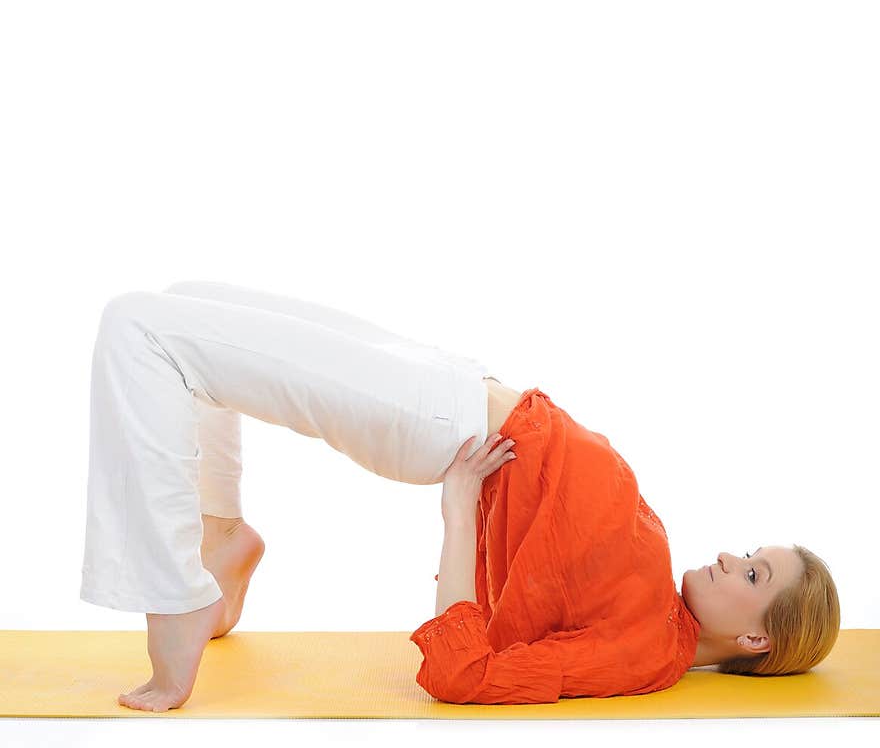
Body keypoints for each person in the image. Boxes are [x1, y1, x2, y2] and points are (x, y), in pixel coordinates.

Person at [79, 280, 840, 712]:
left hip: (435, 420)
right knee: (189, 303)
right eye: (748, 552)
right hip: (453, 386)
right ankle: (222, 540)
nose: (727, 557)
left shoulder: (643, 652)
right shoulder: (657, 617)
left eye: (752, 574)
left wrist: (458, 506)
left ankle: (177, 596)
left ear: (755, 640)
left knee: (140, 328)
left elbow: (463, 673)